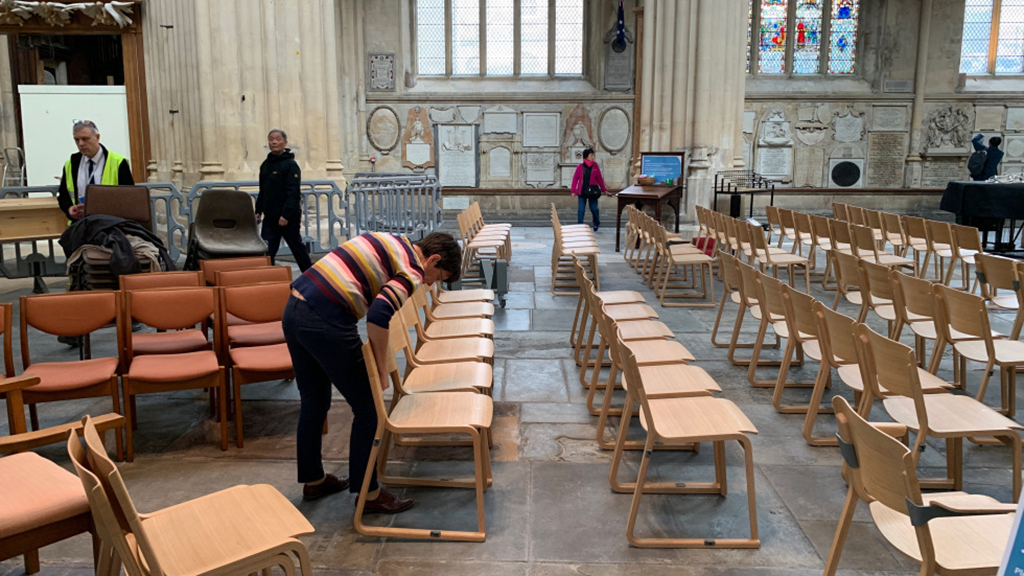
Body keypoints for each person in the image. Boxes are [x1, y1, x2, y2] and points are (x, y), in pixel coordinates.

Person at [284, 231, 462, 512]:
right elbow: (379, 316)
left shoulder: (396, 240)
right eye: (436, 276)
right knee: (369, 410)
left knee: (314, 401)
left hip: (295, 308)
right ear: (433, 259)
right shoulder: (414, 269)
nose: (429, 283)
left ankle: (314, 479)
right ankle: (369, 495)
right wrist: (379, 369)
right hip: (326, 319)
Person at [256, 129, 312, 272]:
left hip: (288, 217)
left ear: (285, 142)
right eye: (271, 139)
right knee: (266, 251)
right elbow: (263, 190)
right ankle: (268, 279)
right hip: (270, 217)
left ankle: (311, 277)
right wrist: (258, 211)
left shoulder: (290, 165)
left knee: (296, 247)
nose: (274, 142)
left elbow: (293, 192)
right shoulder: (265, 165)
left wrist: (286, 215)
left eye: (278, 139)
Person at [57, 120, 134, 221]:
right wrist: (69, 209)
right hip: (80, 223)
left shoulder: (118, 162)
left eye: (85, 139)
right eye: (77, 140)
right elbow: (63, 195)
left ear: (97, 137)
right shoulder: (71, 163)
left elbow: (129, 197)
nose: (81, 144)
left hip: (110, 224)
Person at [570, 148, 609, 232]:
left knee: (594, 209)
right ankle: (580, 226)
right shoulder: (580, 167)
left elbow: (600, 179)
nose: (593, 157)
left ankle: (596, 223)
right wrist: (573, 191)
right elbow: (575, 179)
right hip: (582, 191)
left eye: (593, 155)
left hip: (593, 192)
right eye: (591, 155)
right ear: (586, 156)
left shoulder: (595, 166)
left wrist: (604, 190)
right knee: (581, 210)